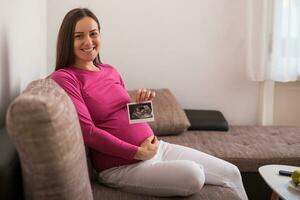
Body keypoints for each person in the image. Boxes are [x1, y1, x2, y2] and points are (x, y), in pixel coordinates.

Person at [51, 8, 248, 199]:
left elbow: (125, 118)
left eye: (93, 33)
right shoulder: (66, 77)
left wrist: (142, 106)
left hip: (156, 148)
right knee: (195, 176)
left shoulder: (110, 70)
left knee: (231, 172)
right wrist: (137, 152)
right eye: (79, 36)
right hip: (121, 166)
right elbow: (88, 132)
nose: (88, 41)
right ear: (68, 40)